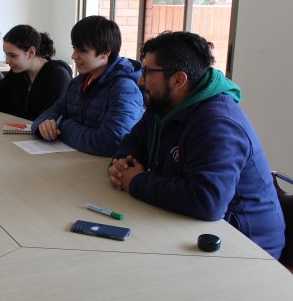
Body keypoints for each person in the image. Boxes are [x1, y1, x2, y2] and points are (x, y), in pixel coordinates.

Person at [108, 31, 284, 259]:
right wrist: (124, 163)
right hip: (190, 227)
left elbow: (207, 201)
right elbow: (132, 142)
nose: (141, 80)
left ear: (178, 80)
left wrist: (136, 181)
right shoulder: (163, 105)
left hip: (246, 246)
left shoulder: (218, 124)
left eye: (149, 72)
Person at [32, 16, 144, 156]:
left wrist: (62, 125)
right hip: (75, 160)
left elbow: (111, 143)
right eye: (74, 48)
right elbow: (45, 116)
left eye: (82, 50)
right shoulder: (78, 82)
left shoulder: (124, 89)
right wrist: (44, 126)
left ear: (105, 53)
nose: (74, 56)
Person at [0, 24, 72, 120]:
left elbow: (51, 118)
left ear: (31, 52)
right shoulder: (17, 72)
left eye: (13, 55)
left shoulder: (58, 76)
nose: (7, 61)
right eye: (6, 54)